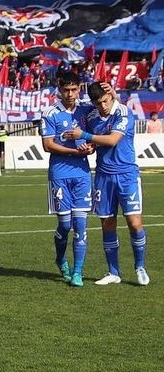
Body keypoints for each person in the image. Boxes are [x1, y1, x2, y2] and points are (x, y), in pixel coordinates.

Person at [63, 82, 150, 286]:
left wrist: (83, 135)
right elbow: (95, 142)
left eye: (105, 101)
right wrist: (88, 147)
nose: (103, 106)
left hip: (127, 175)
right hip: (103, 176)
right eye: (98, 103)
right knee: (107, 224)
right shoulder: (92, 117)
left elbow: (112, 140)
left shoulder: (123, 112)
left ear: (110, 96)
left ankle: (140, 267)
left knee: (134, 223)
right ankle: (113, 272)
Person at [39, 73, 95, 286]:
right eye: (66, 90)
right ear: (59, 89)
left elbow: (96, 135)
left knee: (80, 224)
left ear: (79, 88)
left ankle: (78, 272)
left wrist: (91, 147)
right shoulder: (50, 113)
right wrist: (75, 152)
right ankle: (61, 259)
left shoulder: (87, 109)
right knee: (64, 224)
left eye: (74, 90)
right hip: (60, 175)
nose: (70, 94)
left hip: (82, 174)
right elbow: (48, 145)